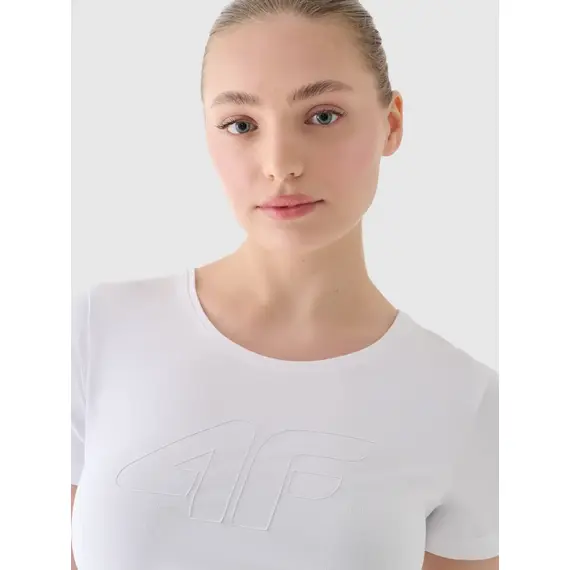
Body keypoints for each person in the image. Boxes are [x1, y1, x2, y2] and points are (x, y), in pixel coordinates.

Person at [71, 0, 499, 568]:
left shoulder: (465, 402)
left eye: (322, 116)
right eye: (241, 125)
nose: (280, 164)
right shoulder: (99, 332)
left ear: (392, 123)